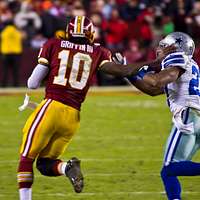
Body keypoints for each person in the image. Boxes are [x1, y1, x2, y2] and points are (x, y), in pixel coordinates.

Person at [17, 15, 174, 200]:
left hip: (52, 107)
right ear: (90, 34)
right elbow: (124, 71)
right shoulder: (98, 51)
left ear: (68, 32)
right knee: (45, 164)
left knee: (26, 160)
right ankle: (67, 167)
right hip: (73, 117)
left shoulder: (53, 44)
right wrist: (154, 63)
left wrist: (53, 69)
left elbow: (32, 84)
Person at [125, 32, 200, 200]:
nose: (159, 49)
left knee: (169, 168)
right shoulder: (191, 64)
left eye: (164, 46)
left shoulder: (177, 58)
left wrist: (138, 69)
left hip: (188, 116)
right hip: (195, 116)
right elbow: (154, 90)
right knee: (172, 170)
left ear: (175, 48)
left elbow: (157, 81)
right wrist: (130, 73)